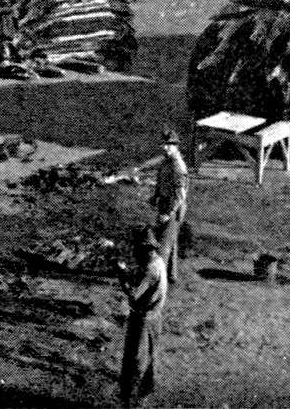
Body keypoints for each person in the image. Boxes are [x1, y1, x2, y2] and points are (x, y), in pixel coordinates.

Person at [116, 225, 168, 408]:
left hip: (142, 320)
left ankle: (131, 400)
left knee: (135, 360)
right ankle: (142, 395)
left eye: (137, 249)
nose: (134, 253)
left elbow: (133, 295)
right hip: (155, 317)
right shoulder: (158, 262)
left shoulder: (150, 271)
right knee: (149, 358)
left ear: (146, 249)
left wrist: (122, 275)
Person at [150, 129, 188, 284]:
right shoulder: (166, 162)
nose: (165, 148)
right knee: (170, 240)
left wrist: (169, 213)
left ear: (176, 146)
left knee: (164, 244)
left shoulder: (178, 166)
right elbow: (161, 181)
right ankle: (171, 275)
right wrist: (155, 196)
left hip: (173, 206)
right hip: (164, 202)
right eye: (164, 144)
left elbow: (180, 195)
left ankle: (157, 280)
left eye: (169, 145)